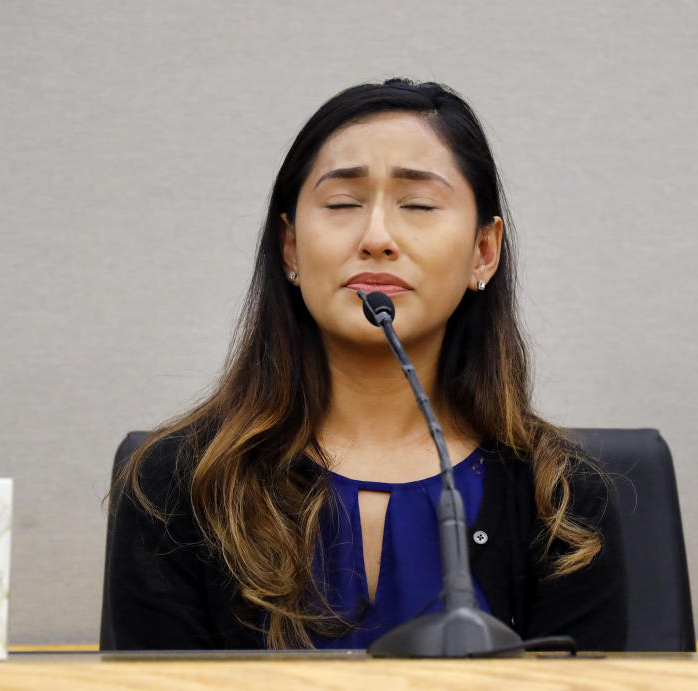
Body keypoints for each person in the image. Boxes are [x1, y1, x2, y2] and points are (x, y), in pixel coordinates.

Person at [104, 78, 627, 651]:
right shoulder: (180, 484)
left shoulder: (561, 499)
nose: (377, 237)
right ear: (290, 249)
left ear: (484, 251)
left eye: (420, 205)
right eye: (342, 204)